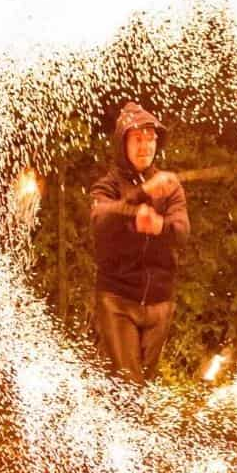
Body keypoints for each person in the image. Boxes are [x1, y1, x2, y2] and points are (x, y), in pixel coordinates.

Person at [90, 102, 190, 385]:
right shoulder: (106, 186)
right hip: (118, 300)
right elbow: (100, 219)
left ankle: (112, 423)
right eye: (137, 139)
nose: (145, 146)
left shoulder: (169, 186)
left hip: (160, 302)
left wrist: (161, 226)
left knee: (141, 386)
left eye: (151, 138)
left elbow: (182, 232)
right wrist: (140, 197)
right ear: (123, 143)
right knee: (128, 385)